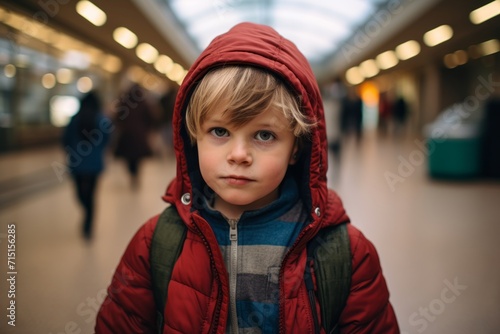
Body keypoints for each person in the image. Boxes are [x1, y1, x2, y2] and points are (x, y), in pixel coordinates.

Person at [95, 22, 399, 333]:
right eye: (219, 131)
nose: (239, 154)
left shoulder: (345, 255)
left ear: (296, 148)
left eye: (264, 135)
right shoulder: (156, 244)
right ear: (193, 137)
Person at [62, 91, 110, 239]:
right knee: (92, 195)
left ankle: (86, 212)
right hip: (95, 164)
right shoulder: (102, 120)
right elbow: (107, 139)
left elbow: (65, 140)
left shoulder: (74, 119)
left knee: (80, 194)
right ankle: (89, 221)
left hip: (77, 164)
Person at [113, 83, 155, 189]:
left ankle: (132, 174)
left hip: (126, 135)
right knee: (137, 158)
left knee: (129, 158)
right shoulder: (144, 103)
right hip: (139, 135)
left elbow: (117, 118)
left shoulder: (124, 103)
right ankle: (135, 175)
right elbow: (150, 118)